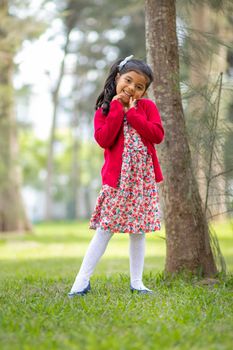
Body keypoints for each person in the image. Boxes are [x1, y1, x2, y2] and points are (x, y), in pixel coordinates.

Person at [68, 55, 164, 297]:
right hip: (117, 181)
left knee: (138, 232)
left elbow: (157, 135)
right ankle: (80, 282)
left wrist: (133, 115)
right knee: (105, 229)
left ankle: (137, 283)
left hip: (142, 181)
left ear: (144, 92)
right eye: (128, 81)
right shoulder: (105, 109)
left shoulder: (147, 108)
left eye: (139, 86)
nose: (131, 88)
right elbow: (104, 139)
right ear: (118, 78)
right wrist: (117, 111)